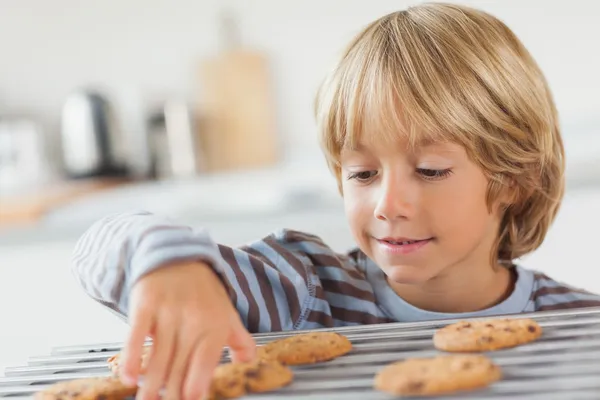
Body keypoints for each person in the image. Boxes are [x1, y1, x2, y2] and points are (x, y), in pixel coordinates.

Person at [71, 3, 600, 400]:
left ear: (514, 179)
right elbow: (101, 243)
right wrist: (170, 268)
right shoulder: (303, 291)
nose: (388, 204)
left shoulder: (581, 324)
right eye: (363, 173)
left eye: (430, 170)